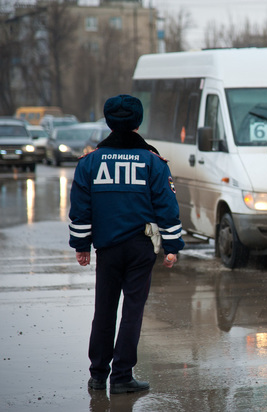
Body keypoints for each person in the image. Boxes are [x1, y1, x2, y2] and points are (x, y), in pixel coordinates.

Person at [68, 94, 185, 395]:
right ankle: (122, 376)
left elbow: (81, 208)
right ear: (138, 122)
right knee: (132, 311)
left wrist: (82, 245)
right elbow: (167, 207)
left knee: (104, 310)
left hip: (106, 249)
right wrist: (172, 246)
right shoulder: (153, 162)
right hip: (140, 248)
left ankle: (97, 376)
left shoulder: (90, 162)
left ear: (108, 121)